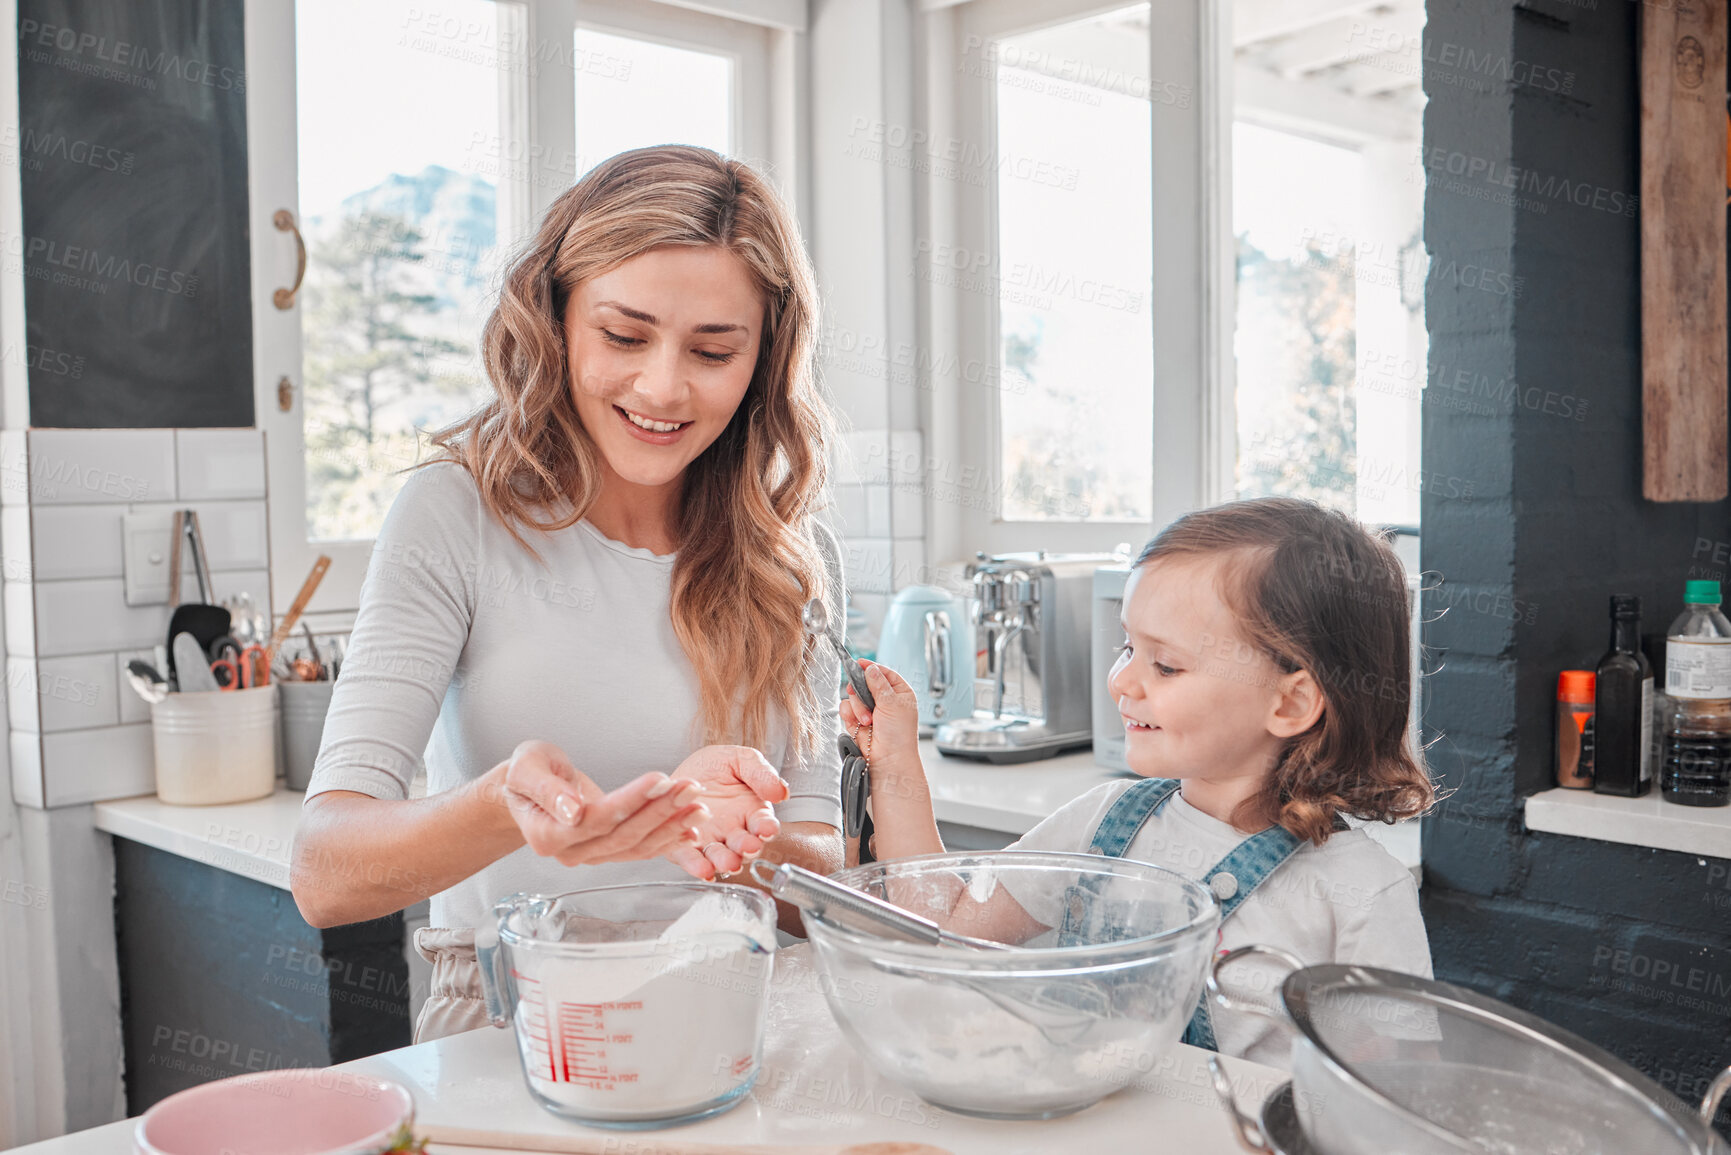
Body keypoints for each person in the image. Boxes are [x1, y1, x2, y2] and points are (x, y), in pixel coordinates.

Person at [290, 146, 846, 1043]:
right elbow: (326, 874)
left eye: (712, 350)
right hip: (510, 1020)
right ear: (554, 318)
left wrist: (710, 833)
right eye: (624, 336)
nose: (663, 387)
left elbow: (818, 867)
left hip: (742, 1015)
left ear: (763, 361)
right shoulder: (456, 515)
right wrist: (504, 803)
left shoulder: (787, 559)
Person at [847, 497, 1435, 1067]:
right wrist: (895, 759)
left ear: (1291, 702)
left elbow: (1387, 1103)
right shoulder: (1101, 822)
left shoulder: (1360, 892)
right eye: (1127, 646)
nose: (1122, 681)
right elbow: (943, 935)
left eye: (1166, 665)